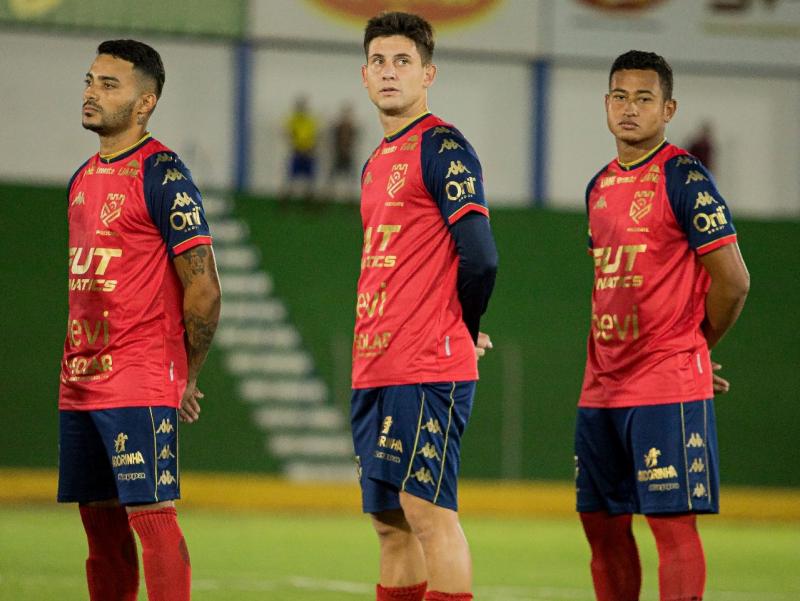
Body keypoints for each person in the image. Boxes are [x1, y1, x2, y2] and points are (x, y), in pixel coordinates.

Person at [576, 50, 749, 601]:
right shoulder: (598, 186)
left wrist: (692, 347)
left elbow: (734, 281)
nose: (630, 109)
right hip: (600, 386)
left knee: (671, 528)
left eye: (644, 98)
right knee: (600, 528)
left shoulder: (685, 177)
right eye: (620, 97)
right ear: (606, 104)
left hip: (663, 381)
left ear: (668, 109)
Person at [59, 39, 221, 601]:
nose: (90, 93)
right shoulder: (82, 179)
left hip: (138, 376)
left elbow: (203, 288)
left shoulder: (165, 175)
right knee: (100, 531)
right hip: (79, 380)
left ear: (145, 102)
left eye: (109, 85)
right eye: (89, 80)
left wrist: (186, 372)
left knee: (151, 519)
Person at [351, 12, 498, 601]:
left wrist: (464, 327)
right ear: (364, 76)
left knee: (429, 515)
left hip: (424, 364)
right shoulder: (376, 160)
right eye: (379, 62)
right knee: (390, 525)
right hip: (375, 362)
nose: (390, 73)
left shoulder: (442, 145)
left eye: (403, 62)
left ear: (428, 74)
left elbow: (481, 257)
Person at [282, 95, 319, 204]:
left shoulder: (310, 121)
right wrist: (295, 144)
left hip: (308, 152)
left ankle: (309, 200)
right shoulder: (293, 120)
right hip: (297, 151)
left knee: (310, 178)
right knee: (291, 177)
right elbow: (288, 133)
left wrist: (311, 147)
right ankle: (285, 200)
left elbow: (315, 135)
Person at [329, 101, 359, 201]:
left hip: (348, 155)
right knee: (333, 176)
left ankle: (350, 197)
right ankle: (330, 195)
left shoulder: (352, 128)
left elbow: (354, 142)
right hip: (338, 154)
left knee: (350, 176)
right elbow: (333, 142)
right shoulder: (337, 127)